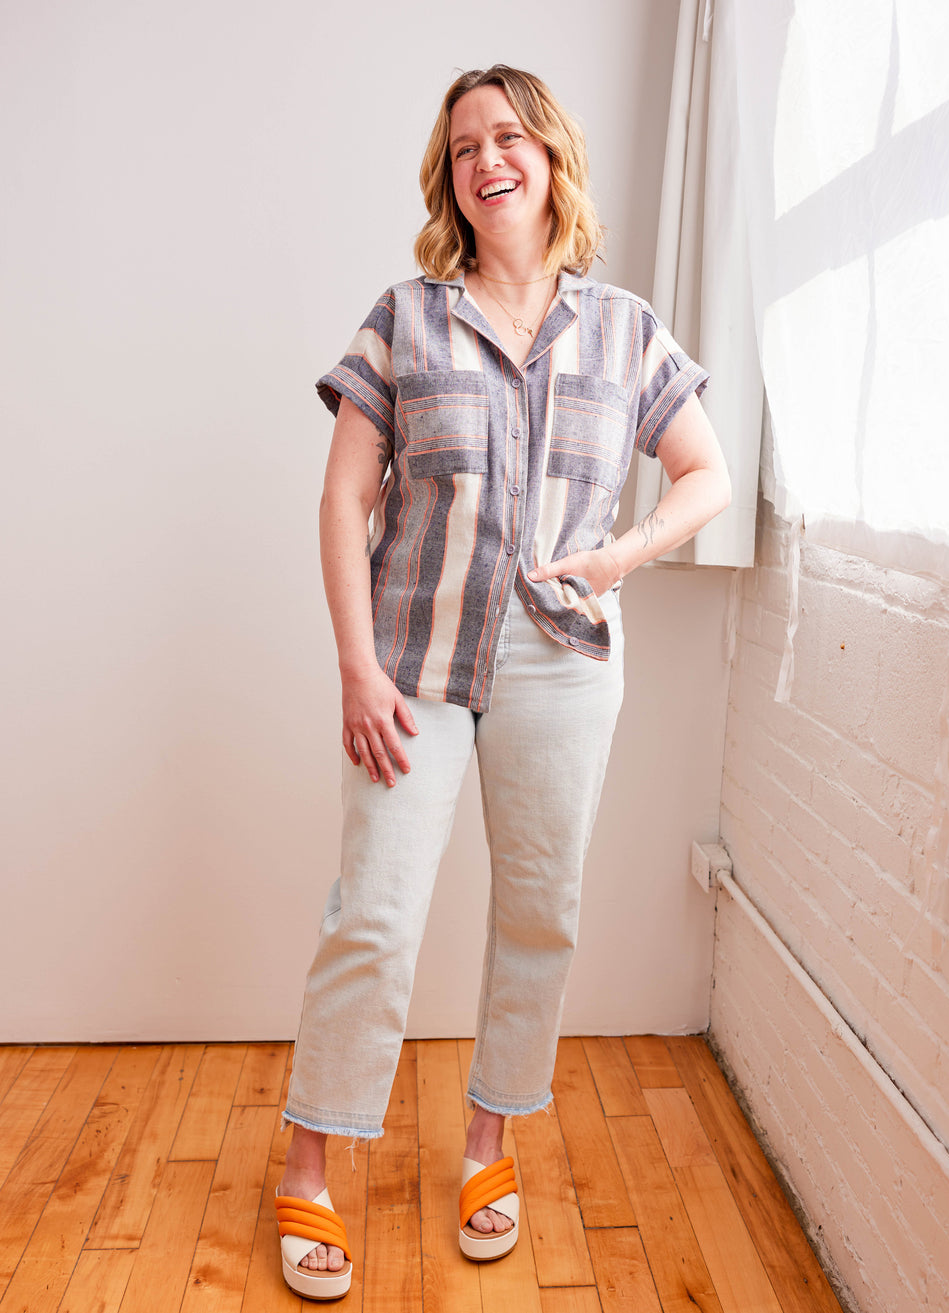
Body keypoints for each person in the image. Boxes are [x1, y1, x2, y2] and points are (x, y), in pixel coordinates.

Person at [274, 64, 731, 1300]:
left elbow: (707, 476)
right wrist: (357, 664)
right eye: (467, 143)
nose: (490, 157)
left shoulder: (628, 327)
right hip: (414, 658)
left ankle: (489, 1142)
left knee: (540, 911)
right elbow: (340, 497)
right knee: (373, 912)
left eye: (511, 135)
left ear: (550, 158)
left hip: (565, 661)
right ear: (452, 179)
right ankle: (310, 1163)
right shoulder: (404, 319)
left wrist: (622, 553)